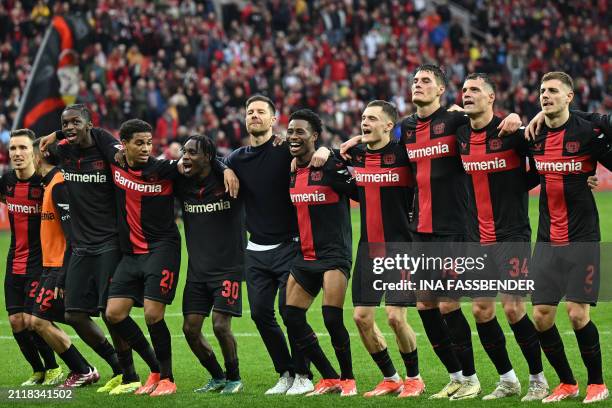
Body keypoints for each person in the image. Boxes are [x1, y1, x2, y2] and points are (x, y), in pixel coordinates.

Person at [338, 66, 523, 400]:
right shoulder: (407, 129)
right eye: (414, 81)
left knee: (452, 306)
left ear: (441, 90)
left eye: (425, 81)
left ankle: (485, 378)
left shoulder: (455, 121)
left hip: (454, 228)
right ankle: (456, 376)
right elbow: (383, 149)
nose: (417, 85)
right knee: (426, 306)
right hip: (419, 231)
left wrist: (512, 116)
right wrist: (357, 140)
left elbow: (485, 121)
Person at [455, 73, 546, 401]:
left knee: (512, 308)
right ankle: (508, 379)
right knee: (481, 310)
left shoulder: (511, 133)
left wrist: (517, 118)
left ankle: (538, 379)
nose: (468, 94)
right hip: (478, 237)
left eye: (475, 90)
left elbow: (541, 161)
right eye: (464, 90)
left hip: (512, 234)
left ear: (491, 98)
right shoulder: (460, 132)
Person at [224, 95, 322, 395]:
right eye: (250, 111)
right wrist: (225, 167)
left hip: (290, 246)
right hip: (256, 249)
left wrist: (327, 152)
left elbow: (314, 150)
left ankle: (304, 375)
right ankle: (286, 372)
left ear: (273, 119)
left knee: (289, 310)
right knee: (260, 314)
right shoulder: (237, 158)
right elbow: (218, 160)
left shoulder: (284, 151)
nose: (254, 116)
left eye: (261, 112)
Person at [40, 105, 137, 393]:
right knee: (74, 315)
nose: (69, 127)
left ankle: (132, 376)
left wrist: (60, 132)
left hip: (109, 242)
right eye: (64, 124)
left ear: (90, 124)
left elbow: (119, 151)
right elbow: (42, 150)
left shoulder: (105, 147)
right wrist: (55, 134)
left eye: (75, 123)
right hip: (81, 246)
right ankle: (117, 368)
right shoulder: (63, 152)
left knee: (111, 314)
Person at [528, 72, 611, 404]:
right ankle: (566, 383)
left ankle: (597, 383)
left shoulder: (588, 132)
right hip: (547, 237)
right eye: (542, 91)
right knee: (541, 316)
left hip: (583, 236)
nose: (545, 95)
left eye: (553, 91)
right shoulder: (532, 136)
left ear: (569, 96)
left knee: (577, 314)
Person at [93, 119, 182, 397]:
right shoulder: (115, 159)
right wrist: (57, 134)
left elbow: (197, 161)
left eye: (148, 142)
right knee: (114, 314)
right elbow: (94, 132)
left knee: (153, 315)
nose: (145, 148)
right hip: (131, 254)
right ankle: (154, 369)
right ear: (125, 144)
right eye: (139, 143)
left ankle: (167, 378)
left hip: (162, 249)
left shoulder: (164, 170)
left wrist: (224, 168)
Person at [343, 100, 425, 398]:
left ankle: (415, 378)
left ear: (389, 126)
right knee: (361, 318)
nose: (365, 123)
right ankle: (391, 378)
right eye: (363, 118)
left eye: (373, 119)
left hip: (401, 248)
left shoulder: (405, 155)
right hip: (368, 249)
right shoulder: (356, 155)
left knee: (394, 317)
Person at [284, 109, 357, 396]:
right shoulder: (292, 169)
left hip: (334, 255)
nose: (293, 136)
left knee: (331, 318)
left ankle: (348, 379)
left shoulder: (329, 165)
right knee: (291, 316)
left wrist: (332, 152)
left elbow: (360, 193)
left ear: (314, 136)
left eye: (300, 131)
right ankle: (328, 376)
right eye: (290, 131)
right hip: (305, 256)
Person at [176, 134, 245, 394]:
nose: (186, 157)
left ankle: (235, 377)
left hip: (228, 268)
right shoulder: (182, 182)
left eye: (193, 152)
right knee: (190, 329)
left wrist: (225, 167)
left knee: (219, 324)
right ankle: (217, 376)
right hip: (197, 271)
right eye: (184, 152)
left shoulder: (230, 180)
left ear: (208, 156)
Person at [29, 138, 97, 387]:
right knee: (47, 319)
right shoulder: (49, 184)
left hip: (60, 266)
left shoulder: (59, 185)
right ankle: (102, 366)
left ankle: (85, 369)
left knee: (38, 320)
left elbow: (72, 235)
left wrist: (62, 275)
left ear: (39, 157)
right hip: (51, 265)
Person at [1, 129, 61, 386]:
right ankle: (37, 370)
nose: (17, 153)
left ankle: (54, 367)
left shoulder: (44, 182)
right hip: (14, 259)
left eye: (23, 148)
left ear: (34, 152)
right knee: (16, 321)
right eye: (13, 149)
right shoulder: (5, 181)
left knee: (32, 320)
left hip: (40, 263)